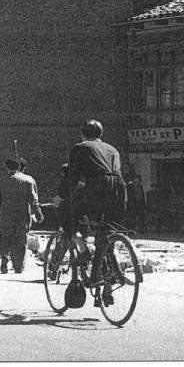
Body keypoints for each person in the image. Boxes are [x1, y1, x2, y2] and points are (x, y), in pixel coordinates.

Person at [62, 119, 125, 287]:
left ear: (83, 134)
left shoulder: (80, 147)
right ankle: (105, 277)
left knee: (70, 217)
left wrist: (63, 195)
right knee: (106, 229)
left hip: (97, 186)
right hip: (118, 189)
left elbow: (73, 177)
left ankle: (83, 251)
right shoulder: (112, 149)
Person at [0, 157, 44, 274]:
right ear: (19, 167)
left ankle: (5, 258)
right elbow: (34, 200)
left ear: (7, 167)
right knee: (20, 241)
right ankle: (18, 266)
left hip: (5, 216)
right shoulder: (28, 180)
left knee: (4, 239)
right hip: (22, 216)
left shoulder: (1, 181)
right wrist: (38, 213)